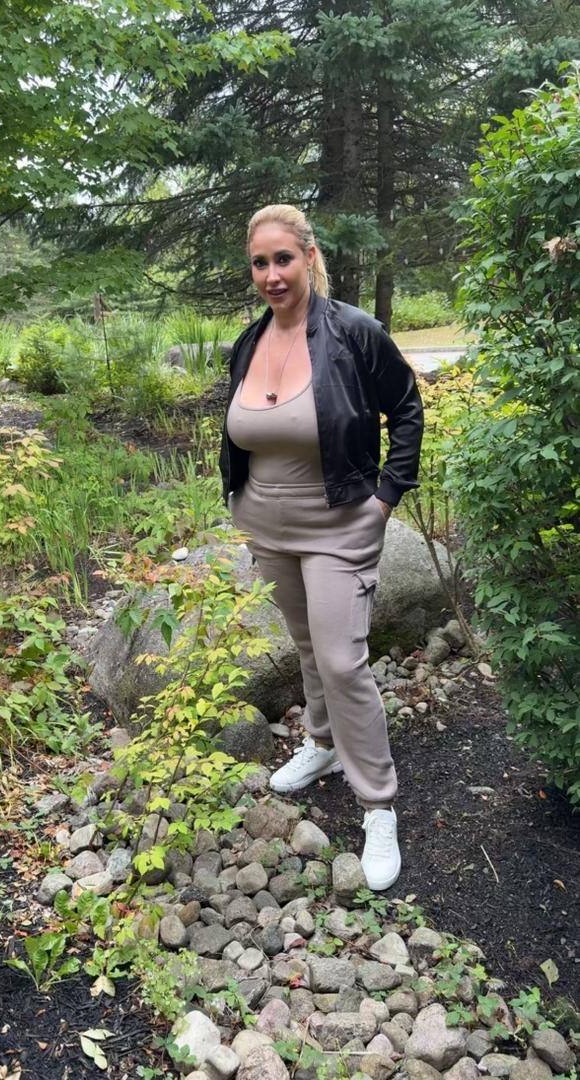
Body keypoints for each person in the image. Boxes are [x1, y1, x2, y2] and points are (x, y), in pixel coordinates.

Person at [219, 204, 424, 890]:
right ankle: (322, 743)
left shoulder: (354, 332)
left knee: (342, 660)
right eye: (259, 263)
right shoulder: (248, 341)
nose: (271, 275)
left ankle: (378, 804)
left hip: (338, 524)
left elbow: (407, 410)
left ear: (309, 256)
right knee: (308, 646)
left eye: (283, 258)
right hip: (267, 527)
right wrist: (237, 501)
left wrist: (385, 499)